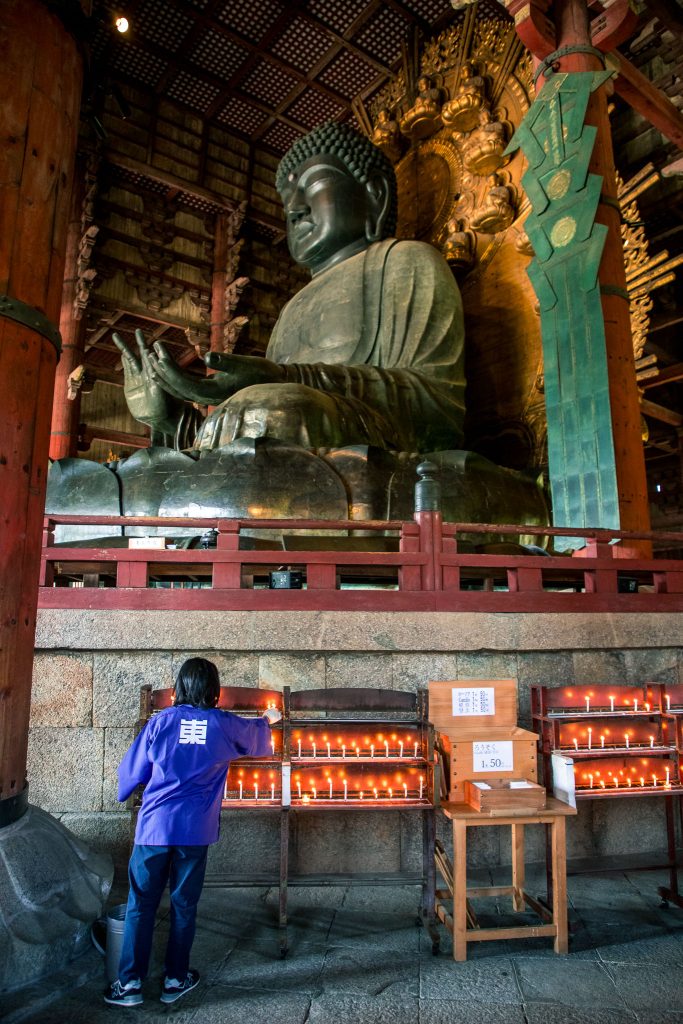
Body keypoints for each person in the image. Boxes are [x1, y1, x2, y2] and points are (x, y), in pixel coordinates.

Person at [113, 121, 466, 455]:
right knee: (259, 413)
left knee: (273, 408)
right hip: (299, 445)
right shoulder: (291, 310)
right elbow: (251, 438)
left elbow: (437, 407)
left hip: (381, 450)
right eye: (288, 201)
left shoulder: (405, 262)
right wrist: (170, 419)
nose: (295, 210)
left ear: (375, 195)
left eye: (313, 186)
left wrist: (288, 378)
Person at [104, 657, 282, 1008]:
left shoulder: (161, 723)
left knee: (141, 903)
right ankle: (174, 979)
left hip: (155, 828)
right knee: (184, 904)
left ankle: (130, 985)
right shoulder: (223, 724)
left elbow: (132, 770)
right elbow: (258, 738)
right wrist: (268, 720)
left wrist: (128, 790)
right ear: (214, 691)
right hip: (194, 829)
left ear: (180, 688)